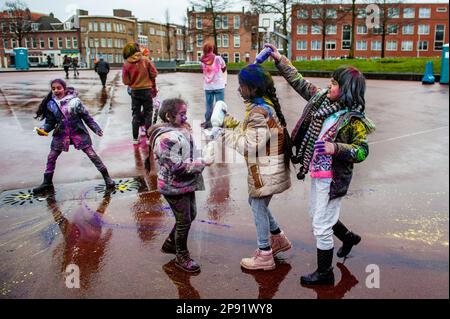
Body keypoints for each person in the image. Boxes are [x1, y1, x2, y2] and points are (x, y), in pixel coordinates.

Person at [265, 43, 375, 285]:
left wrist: (336, 147)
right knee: (318, 214)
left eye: (335, 84)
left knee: (321, 224)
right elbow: (300, 82)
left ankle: (325, 273)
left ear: (346, 90)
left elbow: (362, 151)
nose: (329, 86)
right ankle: (347, 237)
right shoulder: (321, 100)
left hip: (333, 178)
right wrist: (280, 59)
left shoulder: (353, 121)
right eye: (331, 81)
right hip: (317, 172)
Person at [221, 63, 292, 271]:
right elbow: (249, 132)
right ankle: (278, 238)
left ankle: (265, 255)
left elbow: (248, 145)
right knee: (254, 202)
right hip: (270, 167)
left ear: (252, 88)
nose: (239, 89)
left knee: (258, 206)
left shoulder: (258, 112)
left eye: (241, 86)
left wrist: (221, 134)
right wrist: (227, 121)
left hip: (265, 171)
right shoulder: (263, 106)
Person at [146, 98, 214, 273]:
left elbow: (190, 149)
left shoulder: (181, 129)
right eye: (182, 114)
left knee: (191, 215)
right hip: (173, 186)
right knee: (184, 220)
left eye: (185, 113)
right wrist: (203, 162)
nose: (185, 117)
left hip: (185, 183)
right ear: (169, 116)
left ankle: (171, 243)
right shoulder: (166, 139)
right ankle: (181, 255)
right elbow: (177, 167)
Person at [33, 78, 115, 194]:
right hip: (61, 134)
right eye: (53, 89)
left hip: (78, 133)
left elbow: (86, 117)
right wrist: (43, 129)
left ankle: (107, 179)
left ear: (64, 89)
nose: (56, 90)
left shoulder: (75, 102)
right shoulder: (51, 104)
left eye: (59, 88)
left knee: (92, 155)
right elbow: (50, 122)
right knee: (51, 157)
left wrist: (96, 128)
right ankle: (47, 183)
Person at [122, 42, 158, 145]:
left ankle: (135, 138)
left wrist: (134, 81)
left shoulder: (126, 63)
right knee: (148, 114)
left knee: (135, 114)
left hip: (135, 91)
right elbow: (154, 73)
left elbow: (126, 81)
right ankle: (148, 137)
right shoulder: (145, 60)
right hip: (147, 90)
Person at [200, 42, 226, 129]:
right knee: (220, 106)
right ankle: (220, 124)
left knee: (209, 106)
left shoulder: (202, 60)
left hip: (208, 87)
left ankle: (208, 123)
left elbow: (203, 71)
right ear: (212, 49)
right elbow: (224, 68)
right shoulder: (218, 58)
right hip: (219, 86)